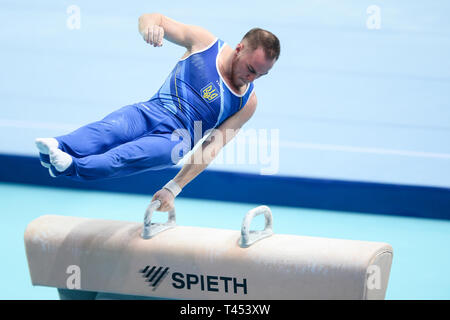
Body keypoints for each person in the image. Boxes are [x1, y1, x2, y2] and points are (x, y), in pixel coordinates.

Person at [35, 12, 280, 212]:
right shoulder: (205, 43)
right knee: (109, 130)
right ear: (239, 48)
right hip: (150, 111)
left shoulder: (247, 102)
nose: (252, 78)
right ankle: (58, 146)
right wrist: (149, 28)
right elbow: (153, 18)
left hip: (174, 141)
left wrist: (173, 189)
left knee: (124, 156)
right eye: (250, 69)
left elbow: (211, 149)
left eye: (261, 74)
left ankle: (71, 167)